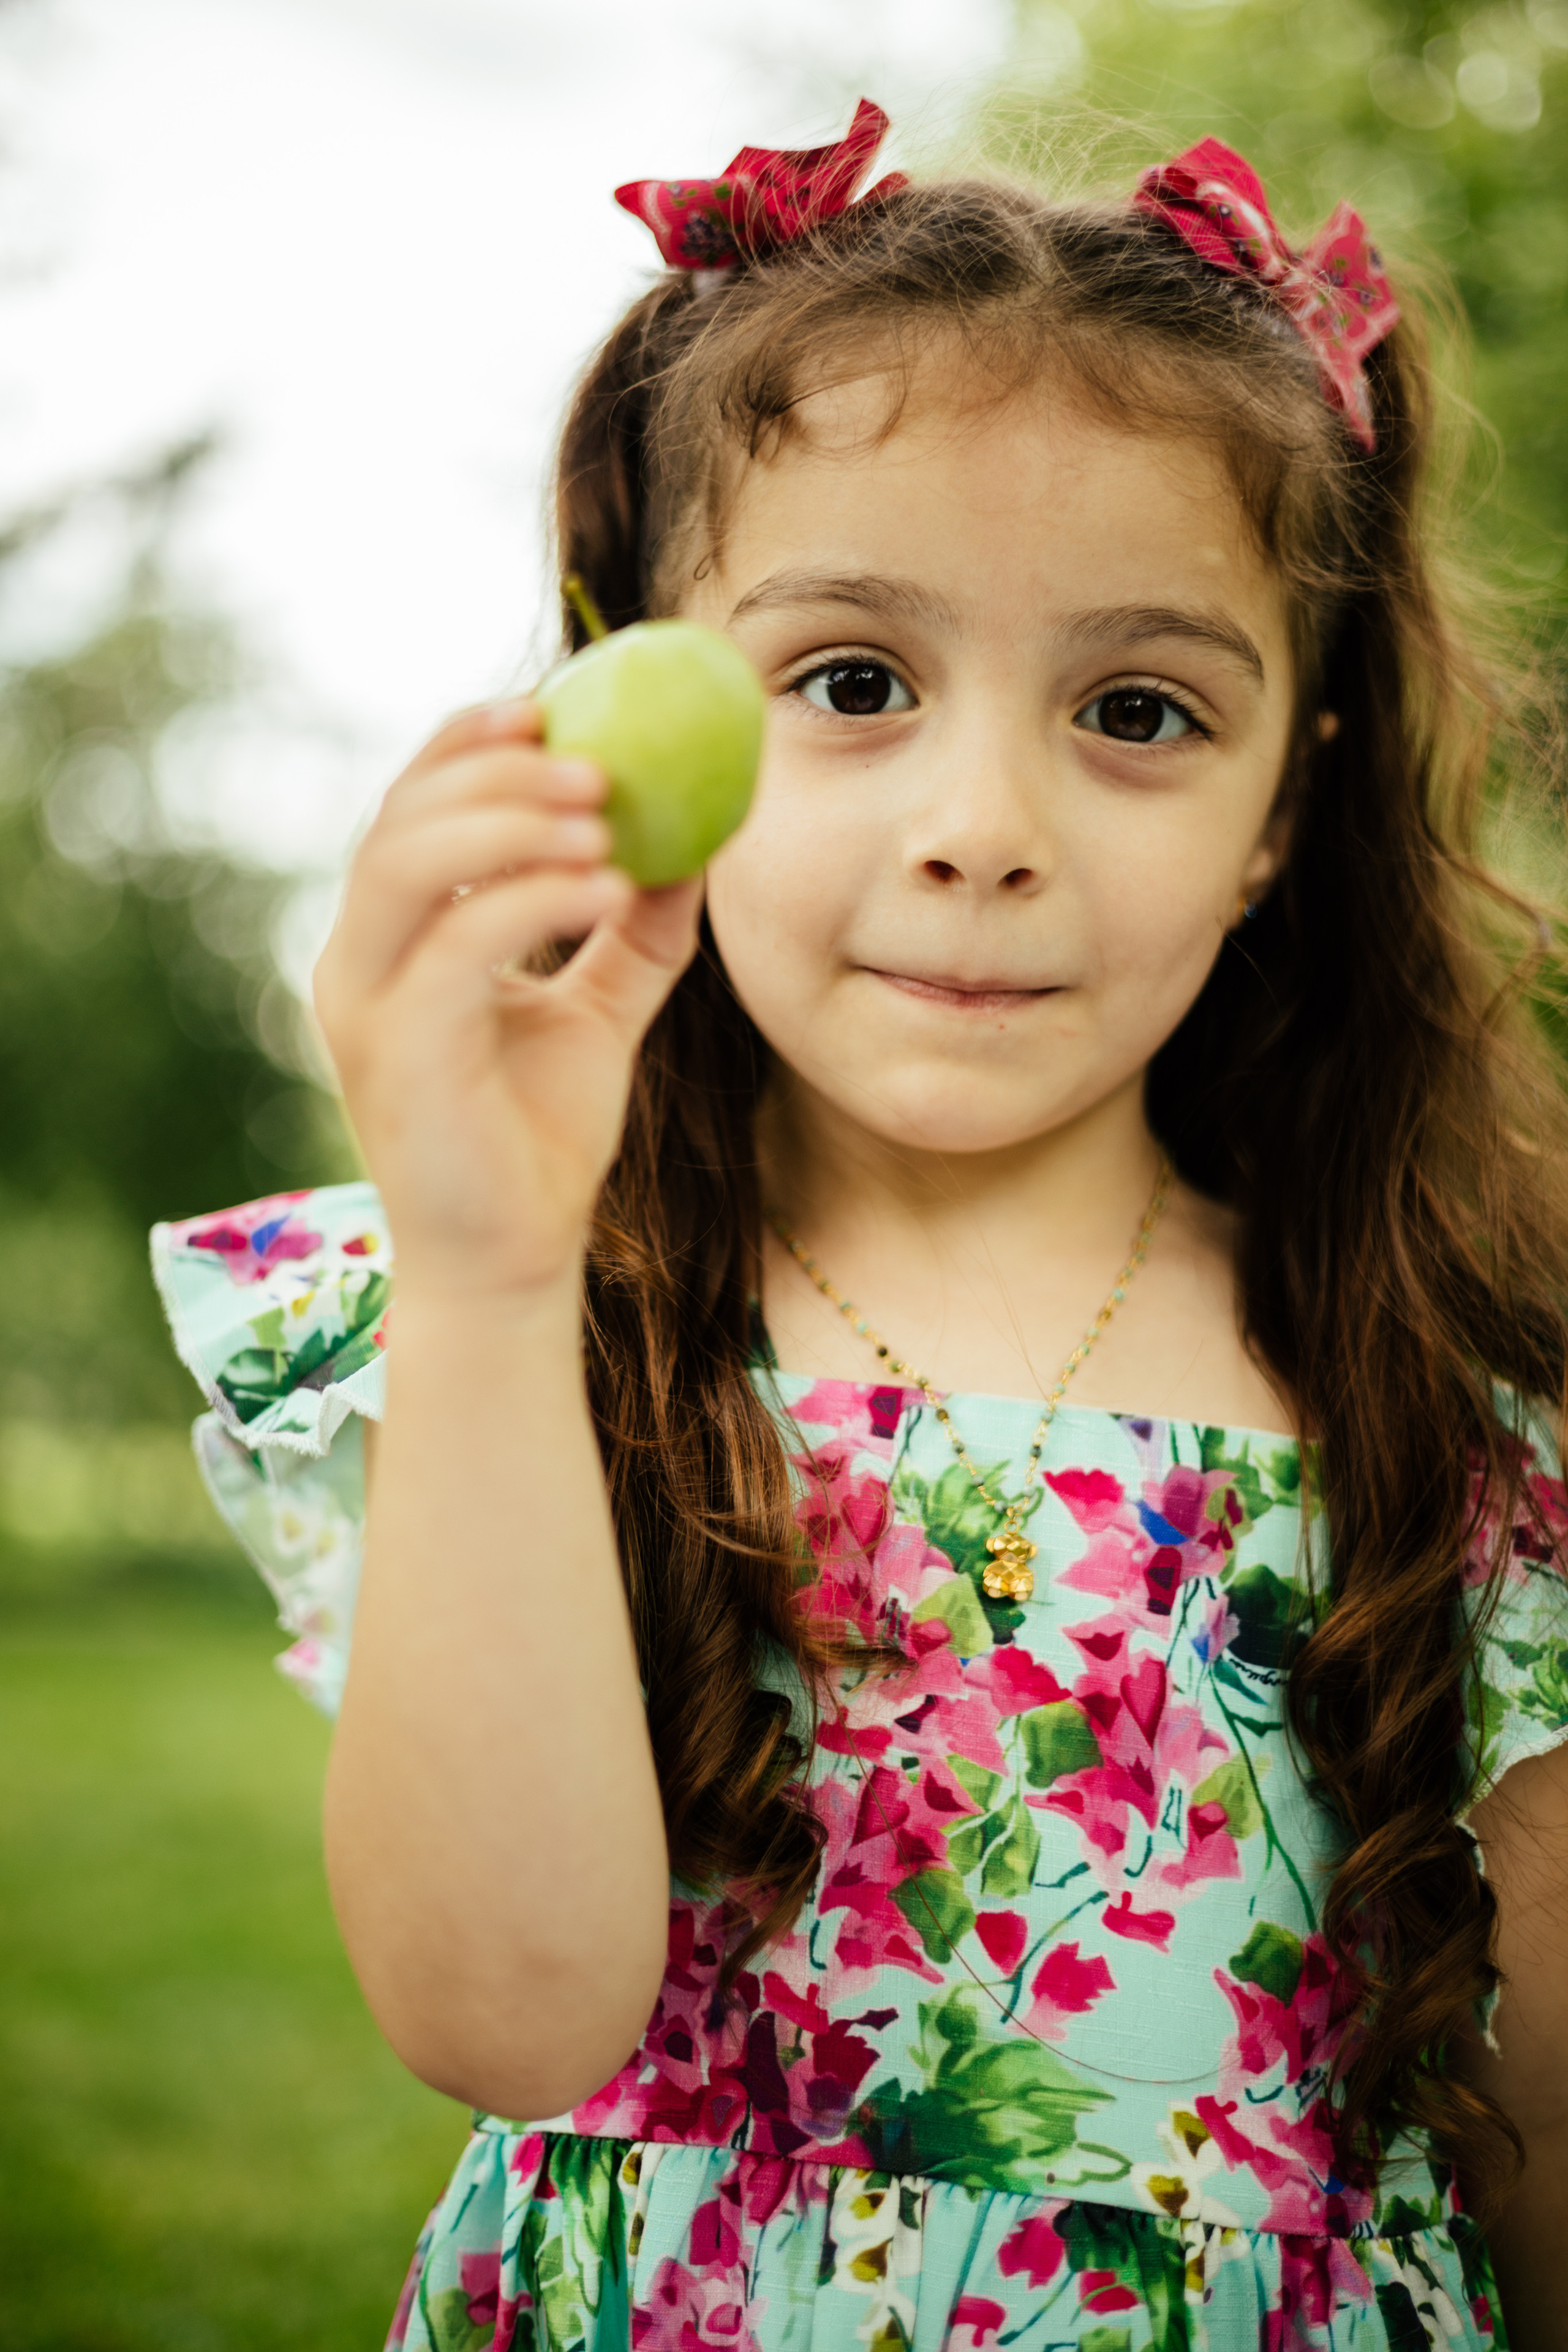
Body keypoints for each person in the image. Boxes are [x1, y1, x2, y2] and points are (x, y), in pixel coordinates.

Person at [151, 102, 1568, 2350]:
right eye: (850, 684)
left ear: (1284, 807)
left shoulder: (1438, 1403)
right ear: (647, 709)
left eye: (1135, 709)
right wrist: (494, 1271)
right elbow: (509, 2019)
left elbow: (1550, 2142)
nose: (980, 826)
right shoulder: (552, 1330)